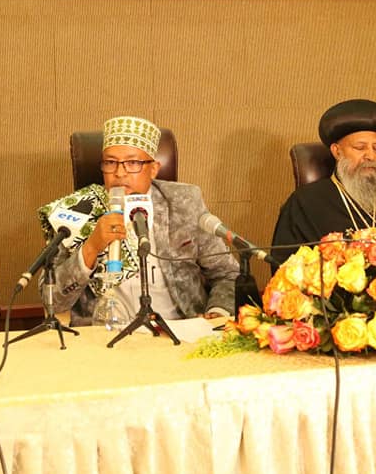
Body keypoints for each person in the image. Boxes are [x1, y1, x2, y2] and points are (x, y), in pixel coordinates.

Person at [38, 116, 237, 325]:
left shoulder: (184, 202)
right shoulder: (77, 211)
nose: (119, 173)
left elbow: (227, 273)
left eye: (133, 163)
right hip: (105, 333)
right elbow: (52, 301)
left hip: (180, 329)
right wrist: (91, 248)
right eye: (110, 163)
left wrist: (218, 314)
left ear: (154, 169)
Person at [270, 99, 376, 268]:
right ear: (337, 151)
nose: (371, 156)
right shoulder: (306, 203)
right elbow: (284, 268)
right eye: (360, 147)